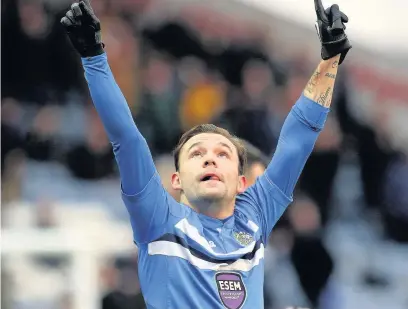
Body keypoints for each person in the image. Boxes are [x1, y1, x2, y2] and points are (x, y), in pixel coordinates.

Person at [60, 1, 351, 308]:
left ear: (241, 183)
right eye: (196, 153)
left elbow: (298, 137)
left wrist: (330, 61)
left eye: (223, 154)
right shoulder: (157, 218)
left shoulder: (254, 216)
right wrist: (93, 58)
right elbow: (127, 138)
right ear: (176, 181)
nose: (210, 158)